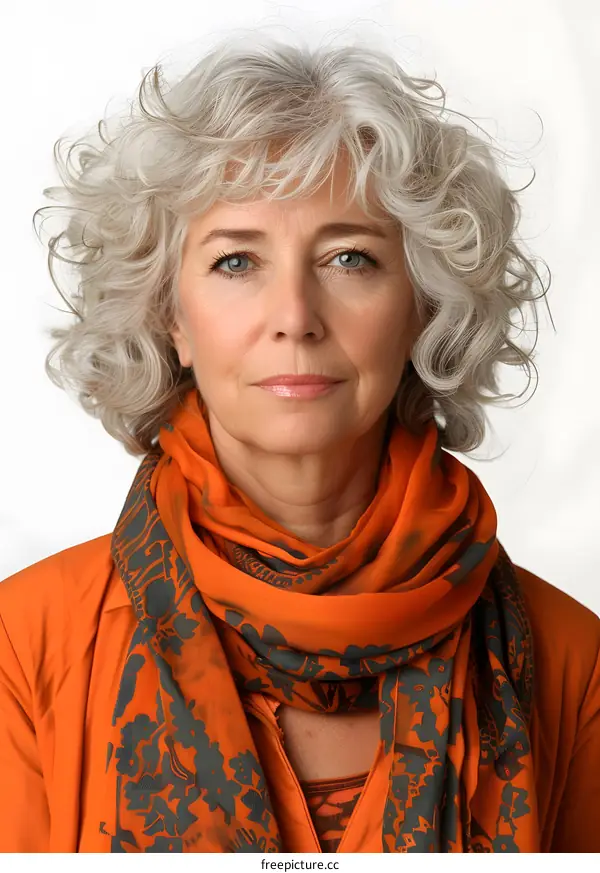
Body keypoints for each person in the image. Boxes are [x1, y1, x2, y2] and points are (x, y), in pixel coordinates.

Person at [1, 30, 599, 854]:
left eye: (350, 257)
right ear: (171, 317)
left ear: (425, 306)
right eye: (236, 262)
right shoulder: (25, 645)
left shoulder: (572, 661)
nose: (295, 316)